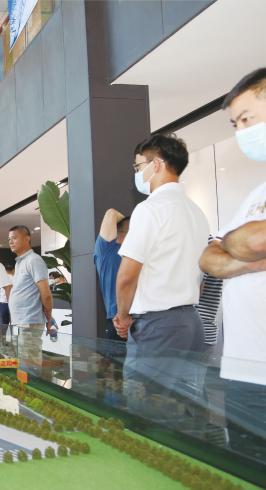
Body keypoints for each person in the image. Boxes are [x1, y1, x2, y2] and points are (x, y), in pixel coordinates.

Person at [198, 67, 266, 459]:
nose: (241, 131)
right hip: (242, 370)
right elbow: (209, 257)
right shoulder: (256, 193)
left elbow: (255, 239)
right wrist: (245, 260)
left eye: (247, 119)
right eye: (235, 124)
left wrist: (233, 243)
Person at [114, 133, 210, 398]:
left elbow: (127, 276)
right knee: (186, 406)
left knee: (146, 406)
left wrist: (123, 316)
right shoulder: (196, 212)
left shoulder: (150, 209)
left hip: (157, 327)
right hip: (191, 323)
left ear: (156, 164)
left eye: (138, 166)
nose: (137, 173)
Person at [7, 225, 53, 374]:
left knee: (30, 365)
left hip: (29, 321)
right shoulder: (19, 261)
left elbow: (46, 294)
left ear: (27, 238)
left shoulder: (34, 260)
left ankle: (32, 387)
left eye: (14, 238)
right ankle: (24, 387)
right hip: (20, 321)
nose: (11, 242)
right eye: (9, 239)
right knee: (23, 363)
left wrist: (49, 317)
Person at [94, 208, 130, 341]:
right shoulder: (107, 247)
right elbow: (111, 213)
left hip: (140, 319)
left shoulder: (135, 253)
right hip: (118, 321)